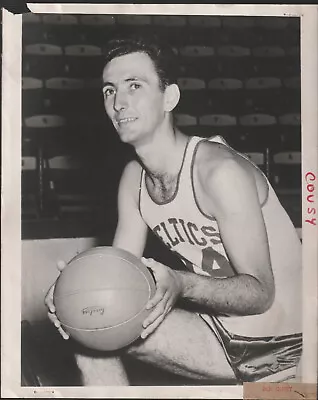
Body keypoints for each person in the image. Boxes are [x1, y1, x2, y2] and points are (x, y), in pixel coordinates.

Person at [45, 33, 302, 385]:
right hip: (219, 334)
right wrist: (71, 292)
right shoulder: (133, 177)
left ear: (170, 97)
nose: (119, 102)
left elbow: (260, 294)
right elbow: (117, 276)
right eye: (109, 90)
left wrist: (181, 283)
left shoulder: (219, 172)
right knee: (90, 327)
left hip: (289, 345)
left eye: (134, 85)